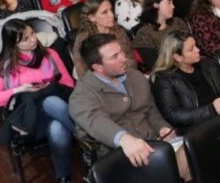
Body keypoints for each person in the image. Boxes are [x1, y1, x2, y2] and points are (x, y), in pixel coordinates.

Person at [0, 20, 81, 183]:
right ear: (13, 44)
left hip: (58, 113)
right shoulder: (3, 67)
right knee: (50, 102)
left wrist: (47, 88)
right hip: (29, 122)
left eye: (32, 34)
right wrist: (19, 90)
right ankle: (85, 136)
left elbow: (68, 84)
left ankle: (64, 179)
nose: (32, 40)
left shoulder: (50, 54)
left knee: (57, 126)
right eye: (25, 39)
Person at [69, 34, 181, 172]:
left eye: (121, 51)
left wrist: (162, 127)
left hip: (155, 143)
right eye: (115, 56)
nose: (124, 58)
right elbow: (96, 121)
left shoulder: (135, 76)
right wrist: (124, 139)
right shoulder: (82, 95)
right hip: (118, 156)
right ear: (98, 67)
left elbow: (151, 110)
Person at [151, 30, 220, 129]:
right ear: (178, 57)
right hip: (196, 129)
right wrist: (210, 110)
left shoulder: (207, 64)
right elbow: (173, 114)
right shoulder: (164, 79)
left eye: (196, 45)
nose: (197, 50)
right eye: (191, 49)